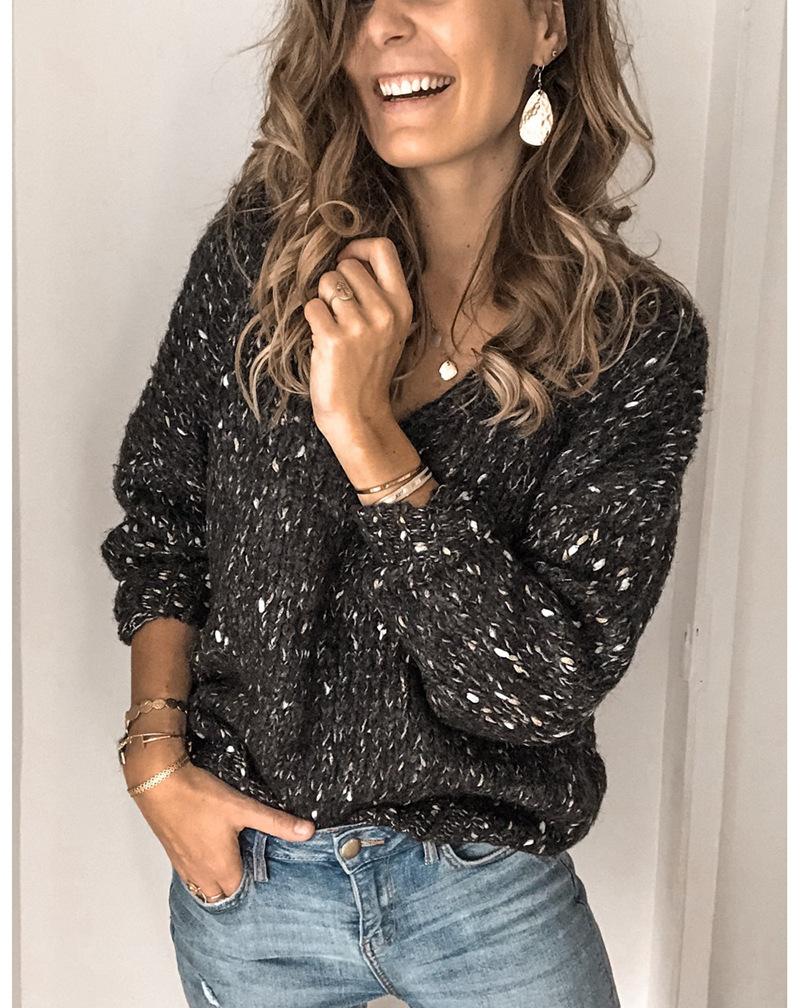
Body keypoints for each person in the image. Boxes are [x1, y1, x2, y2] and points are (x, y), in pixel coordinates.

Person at [100, 1, 710, 1006]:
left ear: (547, 26)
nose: (383, 24)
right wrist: (155, 760)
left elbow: (534, 692)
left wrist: (367, 434)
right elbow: (165, 522)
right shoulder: (261, 260)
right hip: (252, 890)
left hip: (489, 901)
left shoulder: (630, 339)